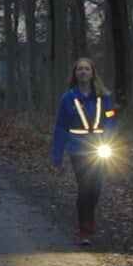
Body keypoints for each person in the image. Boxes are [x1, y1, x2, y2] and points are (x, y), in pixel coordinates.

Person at [51, 57, 117, 245]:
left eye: (87, 69)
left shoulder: (104, 97)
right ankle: (84, 228)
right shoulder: (68, 98)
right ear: (75, 74)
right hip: (78, 148)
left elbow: (111, 117)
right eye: (80, 69)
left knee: (96, 189)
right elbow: (61, 126)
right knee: (85, 187)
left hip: (99, 146)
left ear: (92, 73)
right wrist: (57, 154)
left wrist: (110, 134)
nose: (83, 72)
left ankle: (90, 217)